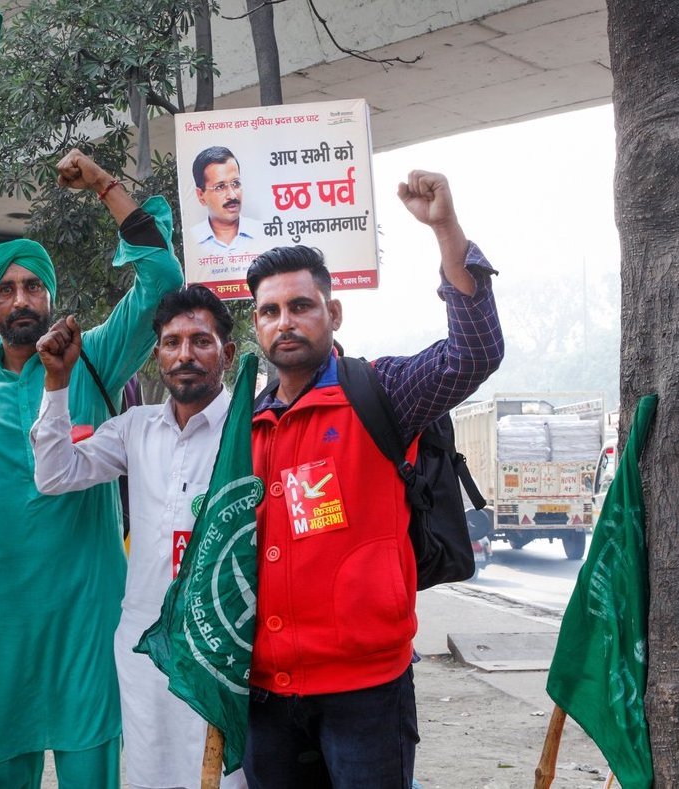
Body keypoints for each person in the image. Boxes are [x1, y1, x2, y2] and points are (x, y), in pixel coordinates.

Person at [0, 150, 185, 787]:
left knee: (90, 764)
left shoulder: (91, 355)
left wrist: (103, 185)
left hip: (84, 608)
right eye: (6, 289)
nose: (21, 300)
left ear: (51, 294)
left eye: (33, 286)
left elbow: (162, 280)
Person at [242, 170, 505, 788]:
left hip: (366, 693)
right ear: (256, 326)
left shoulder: (380, 390)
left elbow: (474, 354)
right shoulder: (248, 426)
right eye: (270, 311)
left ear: (331, 312)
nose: (286, 321)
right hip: (266, 696)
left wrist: (445, 229)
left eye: (301, 306)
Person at [30, 285, 247, 789]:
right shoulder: (136, 428)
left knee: (225, 777)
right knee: (152, 771)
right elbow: (54, 475)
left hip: (222, 645)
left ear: (228, 353)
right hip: (144, 642)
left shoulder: (250, 430)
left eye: (201, 341)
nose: (185, 355)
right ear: (157, 356)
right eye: (172, 343)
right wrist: (56, 383)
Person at [191, 146, 266, 255]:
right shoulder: (193, 239)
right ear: (201, 195)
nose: (232, 195)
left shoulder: (261, 232)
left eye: (236, 184)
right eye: (220, 187)